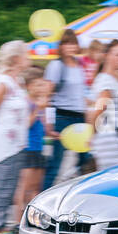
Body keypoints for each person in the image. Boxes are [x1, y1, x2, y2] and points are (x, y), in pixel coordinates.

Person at [0, 41, 32, 234]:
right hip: (5, 143)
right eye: (26, 55)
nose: (29, 58)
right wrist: (0, 130)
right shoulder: (4, 82)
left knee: (10, 184)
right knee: (3, 185)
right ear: (16, 58)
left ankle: (0, 225)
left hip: (16, 144)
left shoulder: (17, 81)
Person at [43, 29, 91, 187]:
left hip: (80, 117)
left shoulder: (79, 65)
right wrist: (49, 124)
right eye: (67, 43)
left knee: (85, 160)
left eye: (73, 43)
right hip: (63, 116)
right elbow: (47, 94)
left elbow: (82, 93)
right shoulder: (57, 66)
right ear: (61, 46)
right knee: (56, 162)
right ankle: (43, 196)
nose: (70, 47)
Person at [87, 39, 118, 171]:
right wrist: (91, 134)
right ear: (107, 56)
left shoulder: (115, 81)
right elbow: (100, 108)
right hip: (112, 140)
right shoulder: (105, 79)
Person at [17, 68, 54, 217]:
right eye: (37, 85)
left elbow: (42, 128)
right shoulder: (26, 103)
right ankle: (17, 222)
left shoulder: (40, 104)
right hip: (27, 149)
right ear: (28, 86)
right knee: (24, 189)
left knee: (36, 189)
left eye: (42, 85)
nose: (41, 88)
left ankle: (31, 220)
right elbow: (26, 125)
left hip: (38, 149)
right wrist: (39, 108)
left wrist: (51, 133)